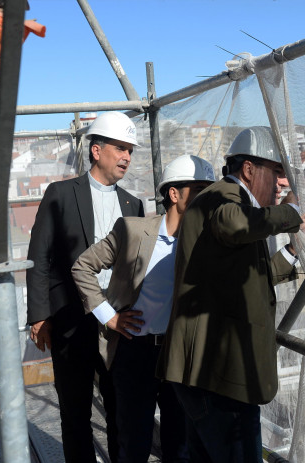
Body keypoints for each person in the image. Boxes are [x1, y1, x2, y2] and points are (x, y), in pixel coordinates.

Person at [157, 126, 305, 462]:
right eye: (277, 173)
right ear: (249, 170)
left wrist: (291, 251)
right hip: (220, 377)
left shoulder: (235, 204)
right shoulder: (223, 197)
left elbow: (246, 278)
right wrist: (291, 214)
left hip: (210, 375)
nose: (281, 184)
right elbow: (235, 224)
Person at [72, 155, 215, 463]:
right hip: (134, 352)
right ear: (174, 194)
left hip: (179, 356)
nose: (208, 199)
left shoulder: (207, 242)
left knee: (180, 445)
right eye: (199, 190)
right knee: (133, 443)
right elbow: (82, 267)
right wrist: (109, 316)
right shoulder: (132, 231)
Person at [26, 111, 145, 462]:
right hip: (69, 319)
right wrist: (39, 316)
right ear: (97, 151)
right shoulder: (61, 194)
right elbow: (40, 257)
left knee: (120, 408)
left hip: (119, 322)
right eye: (120, 148)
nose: (127, 157)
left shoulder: (133, 204)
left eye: (130, 150)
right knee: (75, 411)